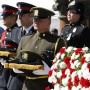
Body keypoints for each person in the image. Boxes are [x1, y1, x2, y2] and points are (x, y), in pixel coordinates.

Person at [6, 2, 36, 90]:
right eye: (19, 15)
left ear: (31, 15)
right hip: (13, 79)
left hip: (29, 80)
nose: (19, 18)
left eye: (22, 15)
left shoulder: (37, 33)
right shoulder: (14, 32)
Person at [0, 4, 20, 90]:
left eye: (6, 16)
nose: (3, 18)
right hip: (2, 73)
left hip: (12, 74)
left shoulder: (18, 32)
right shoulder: (4, 33)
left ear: (13, 18)